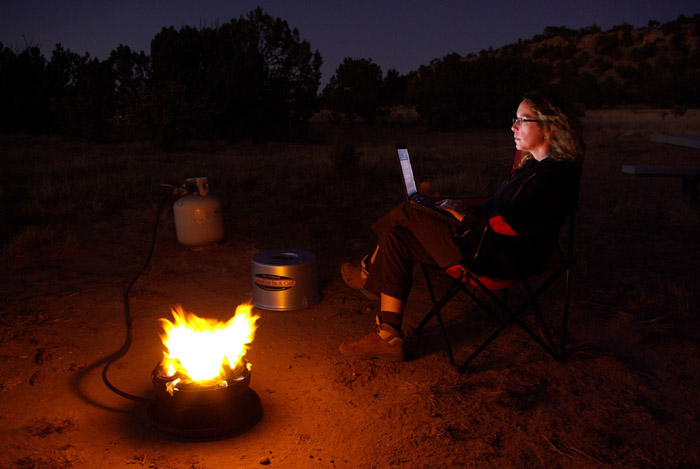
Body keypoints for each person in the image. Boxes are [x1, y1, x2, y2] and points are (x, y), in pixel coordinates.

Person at [339, 91, 585, 362]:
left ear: (549, 127)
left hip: (495, 257)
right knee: (398, 237)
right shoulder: (532, 166)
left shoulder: (558, 175)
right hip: (484, 241)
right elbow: (497, 206)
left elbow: (514, 222)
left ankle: (366, 272)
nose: (513, 127)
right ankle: (388, 336)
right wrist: (451, 205)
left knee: (407, 211)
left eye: (522, 120)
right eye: (514, 119)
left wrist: (465, 217)